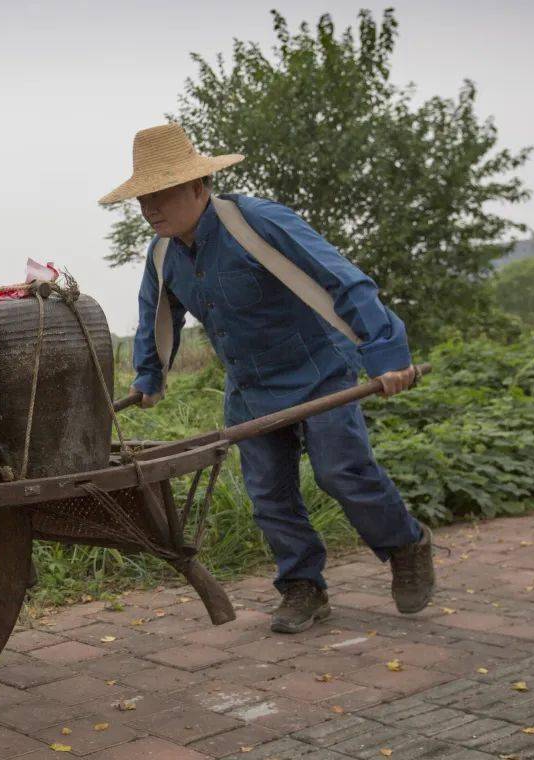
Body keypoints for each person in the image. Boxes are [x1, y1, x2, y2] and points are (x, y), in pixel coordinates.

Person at [99, 123, 434, 633]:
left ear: (198, 186)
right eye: (143, 198)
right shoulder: (163, 253)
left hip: (320, 371)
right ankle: (303, 587)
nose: (150, 208)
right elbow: (157, 315)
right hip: (251, 388)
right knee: (269, 494)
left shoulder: (254, 222)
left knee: (341, 471)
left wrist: (387, 354)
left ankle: (406, 546)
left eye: (161, 193)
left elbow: (341, 278)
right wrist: (150, 375)